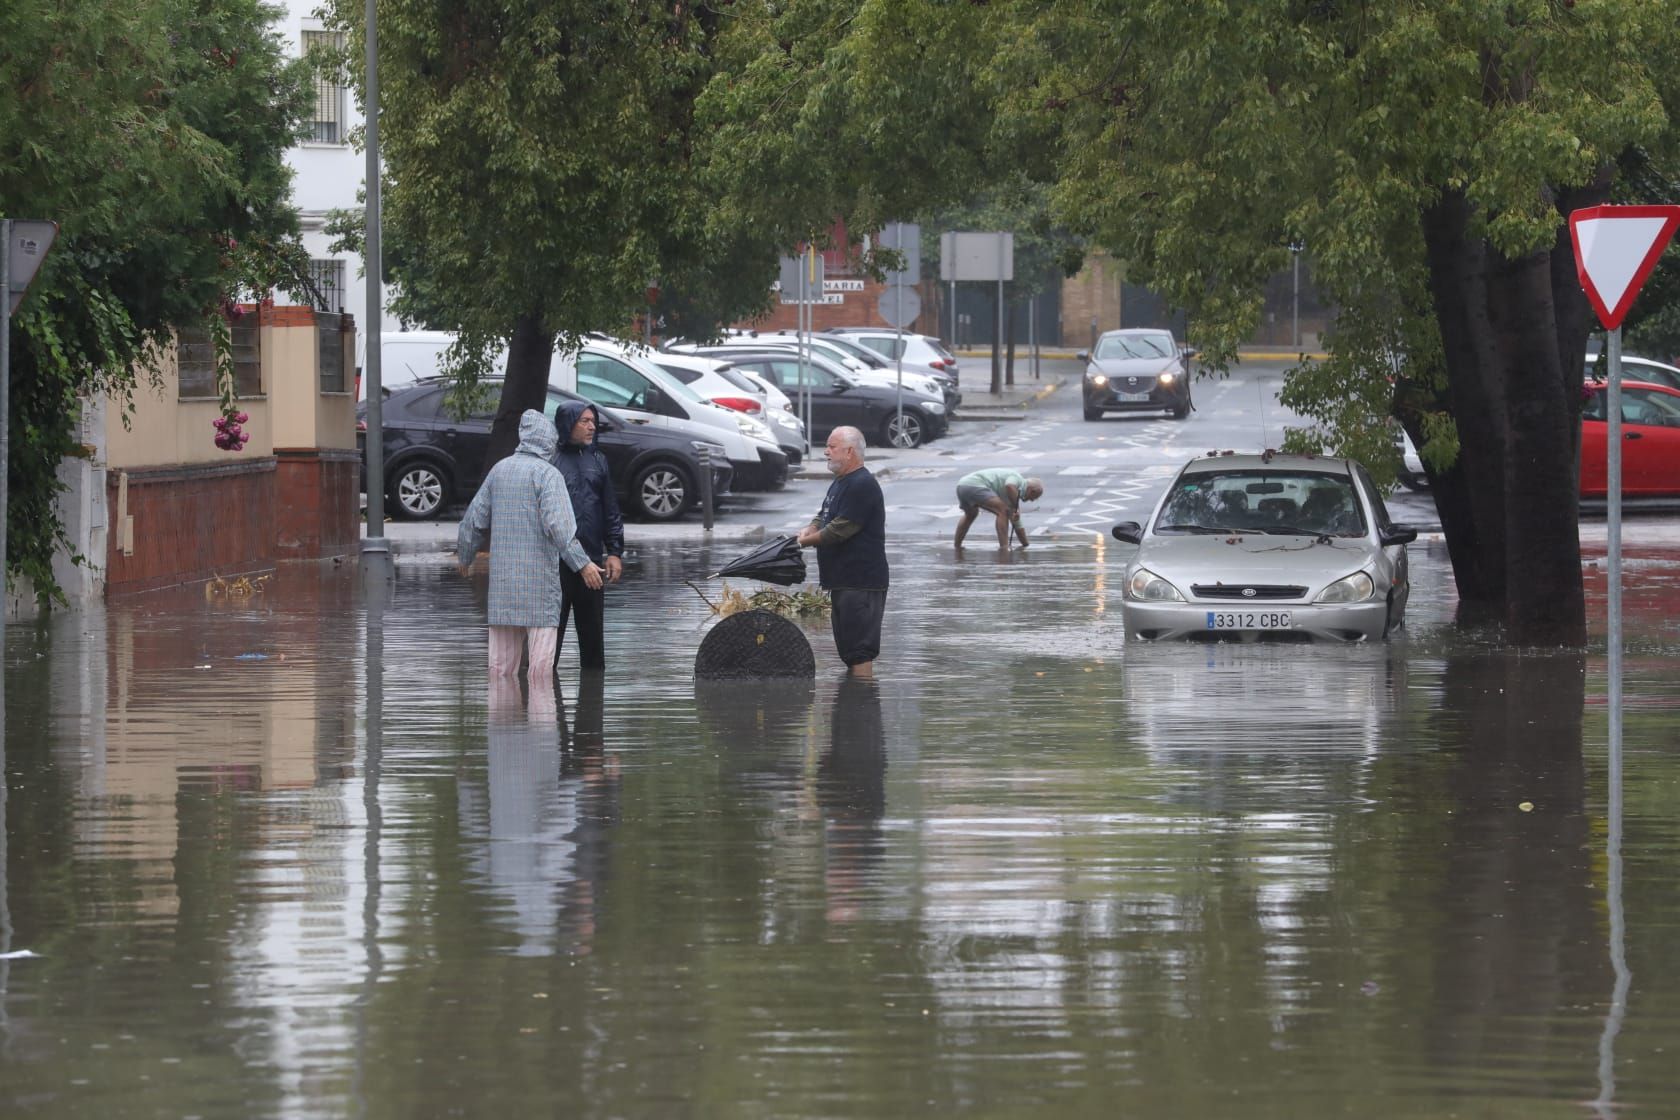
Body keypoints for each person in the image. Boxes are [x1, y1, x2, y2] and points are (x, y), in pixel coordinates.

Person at [457, 409, 603, 688]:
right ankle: (542, 724)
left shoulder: (499, 471)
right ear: (548, 441)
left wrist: (466, 555)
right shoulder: (548, 475)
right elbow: (560, 528)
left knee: (499, 670)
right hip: (539, 589)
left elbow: (473, 520)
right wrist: (583, 564)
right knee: (540, 673)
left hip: (503, 589)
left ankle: (501, 723)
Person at [796, 426, 888, 677]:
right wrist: (809, 528)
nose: (825, 452)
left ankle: (862, 706)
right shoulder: (841, 482)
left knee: (859, 651)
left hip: (861, 583)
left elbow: (839, 530)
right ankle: (851, 710)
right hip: (843, 582)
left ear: (849, 451)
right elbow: (825, 515)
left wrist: (802, 543)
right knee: (848, 650)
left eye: (831, 446)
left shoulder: (862, 484)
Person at [550, 400, 625, 670]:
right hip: (555, 564)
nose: (592, 426)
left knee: (593, 646)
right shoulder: (550, 461)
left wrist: (614, 551)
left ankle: (592, 705)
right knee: (549, 645)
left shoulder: (598, 460)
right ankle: (543, 707)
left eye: (593, 421)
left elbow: (610, 509)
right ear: (567, 424)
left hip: (592, 561)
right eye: (585, 421)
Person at [953, 468, 1044, 549]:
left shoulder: (1012, 496)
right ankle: (1004, 548)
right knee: (1003, 511)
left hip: (962, 486)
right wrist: (1016, 507)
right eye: (1035, 497)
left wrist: (1025, 544)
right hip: (975, 485)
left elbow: (1017, 523)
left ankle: (957, 546)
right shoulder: (1018, 479)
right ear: (1032, 491)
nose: (1031, 500)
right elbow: (1009, 485)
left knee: (971, 515)